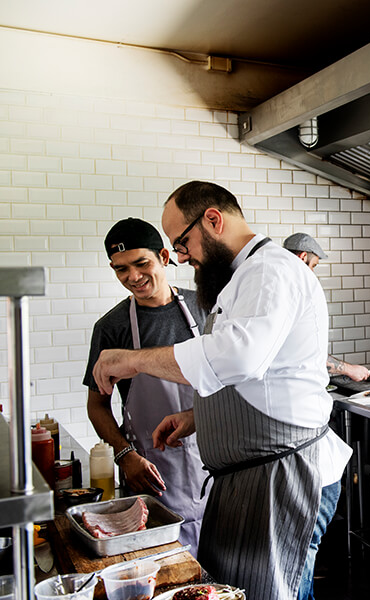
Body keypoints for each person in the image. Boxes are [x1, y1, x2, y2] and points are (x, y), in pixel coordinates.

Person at [91, 181, 351, 600]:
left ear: (213, 220)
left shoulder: (270, 270)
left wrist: (133, 359)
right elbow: (259, 377)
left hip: (283, 475)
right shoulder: (243, 278)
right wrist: (200, 417)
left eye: (182, 242)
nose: (181, 256)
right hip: (253, 478)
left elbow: (237, 358)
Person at [83, 217, 208, 552]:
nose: (133, 278)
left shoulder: (206, 307)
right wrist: (125, 456)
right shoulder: (112, 327)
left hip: (215, 462)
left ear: (164, 257)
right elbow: (97, 405)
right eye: (120, 269)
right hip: (153, 471)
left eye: (141, 264)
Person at [283, 232, 370, 383]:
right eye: (313, 266)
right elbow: (306, 353)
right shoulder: (294, 293)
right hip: (293, 390)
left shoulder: (280, 287)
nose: (312, 273)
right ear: (303, 257)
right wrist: (350, 369)